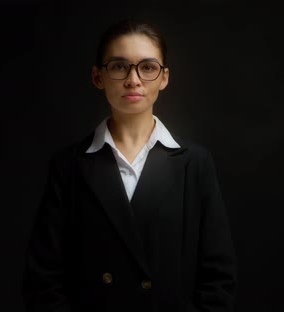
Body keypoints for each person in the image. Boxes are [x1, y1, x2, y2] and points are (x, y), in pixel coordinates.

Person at [23, 19, 237, 312]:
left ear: (164, 78)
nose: (133, 79)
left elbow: (218, 280)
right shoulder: (69, 165)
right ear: (98, 76)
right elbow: (43, 278)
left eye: (147, 67)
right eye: (119, 66)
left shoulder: (194, 163)